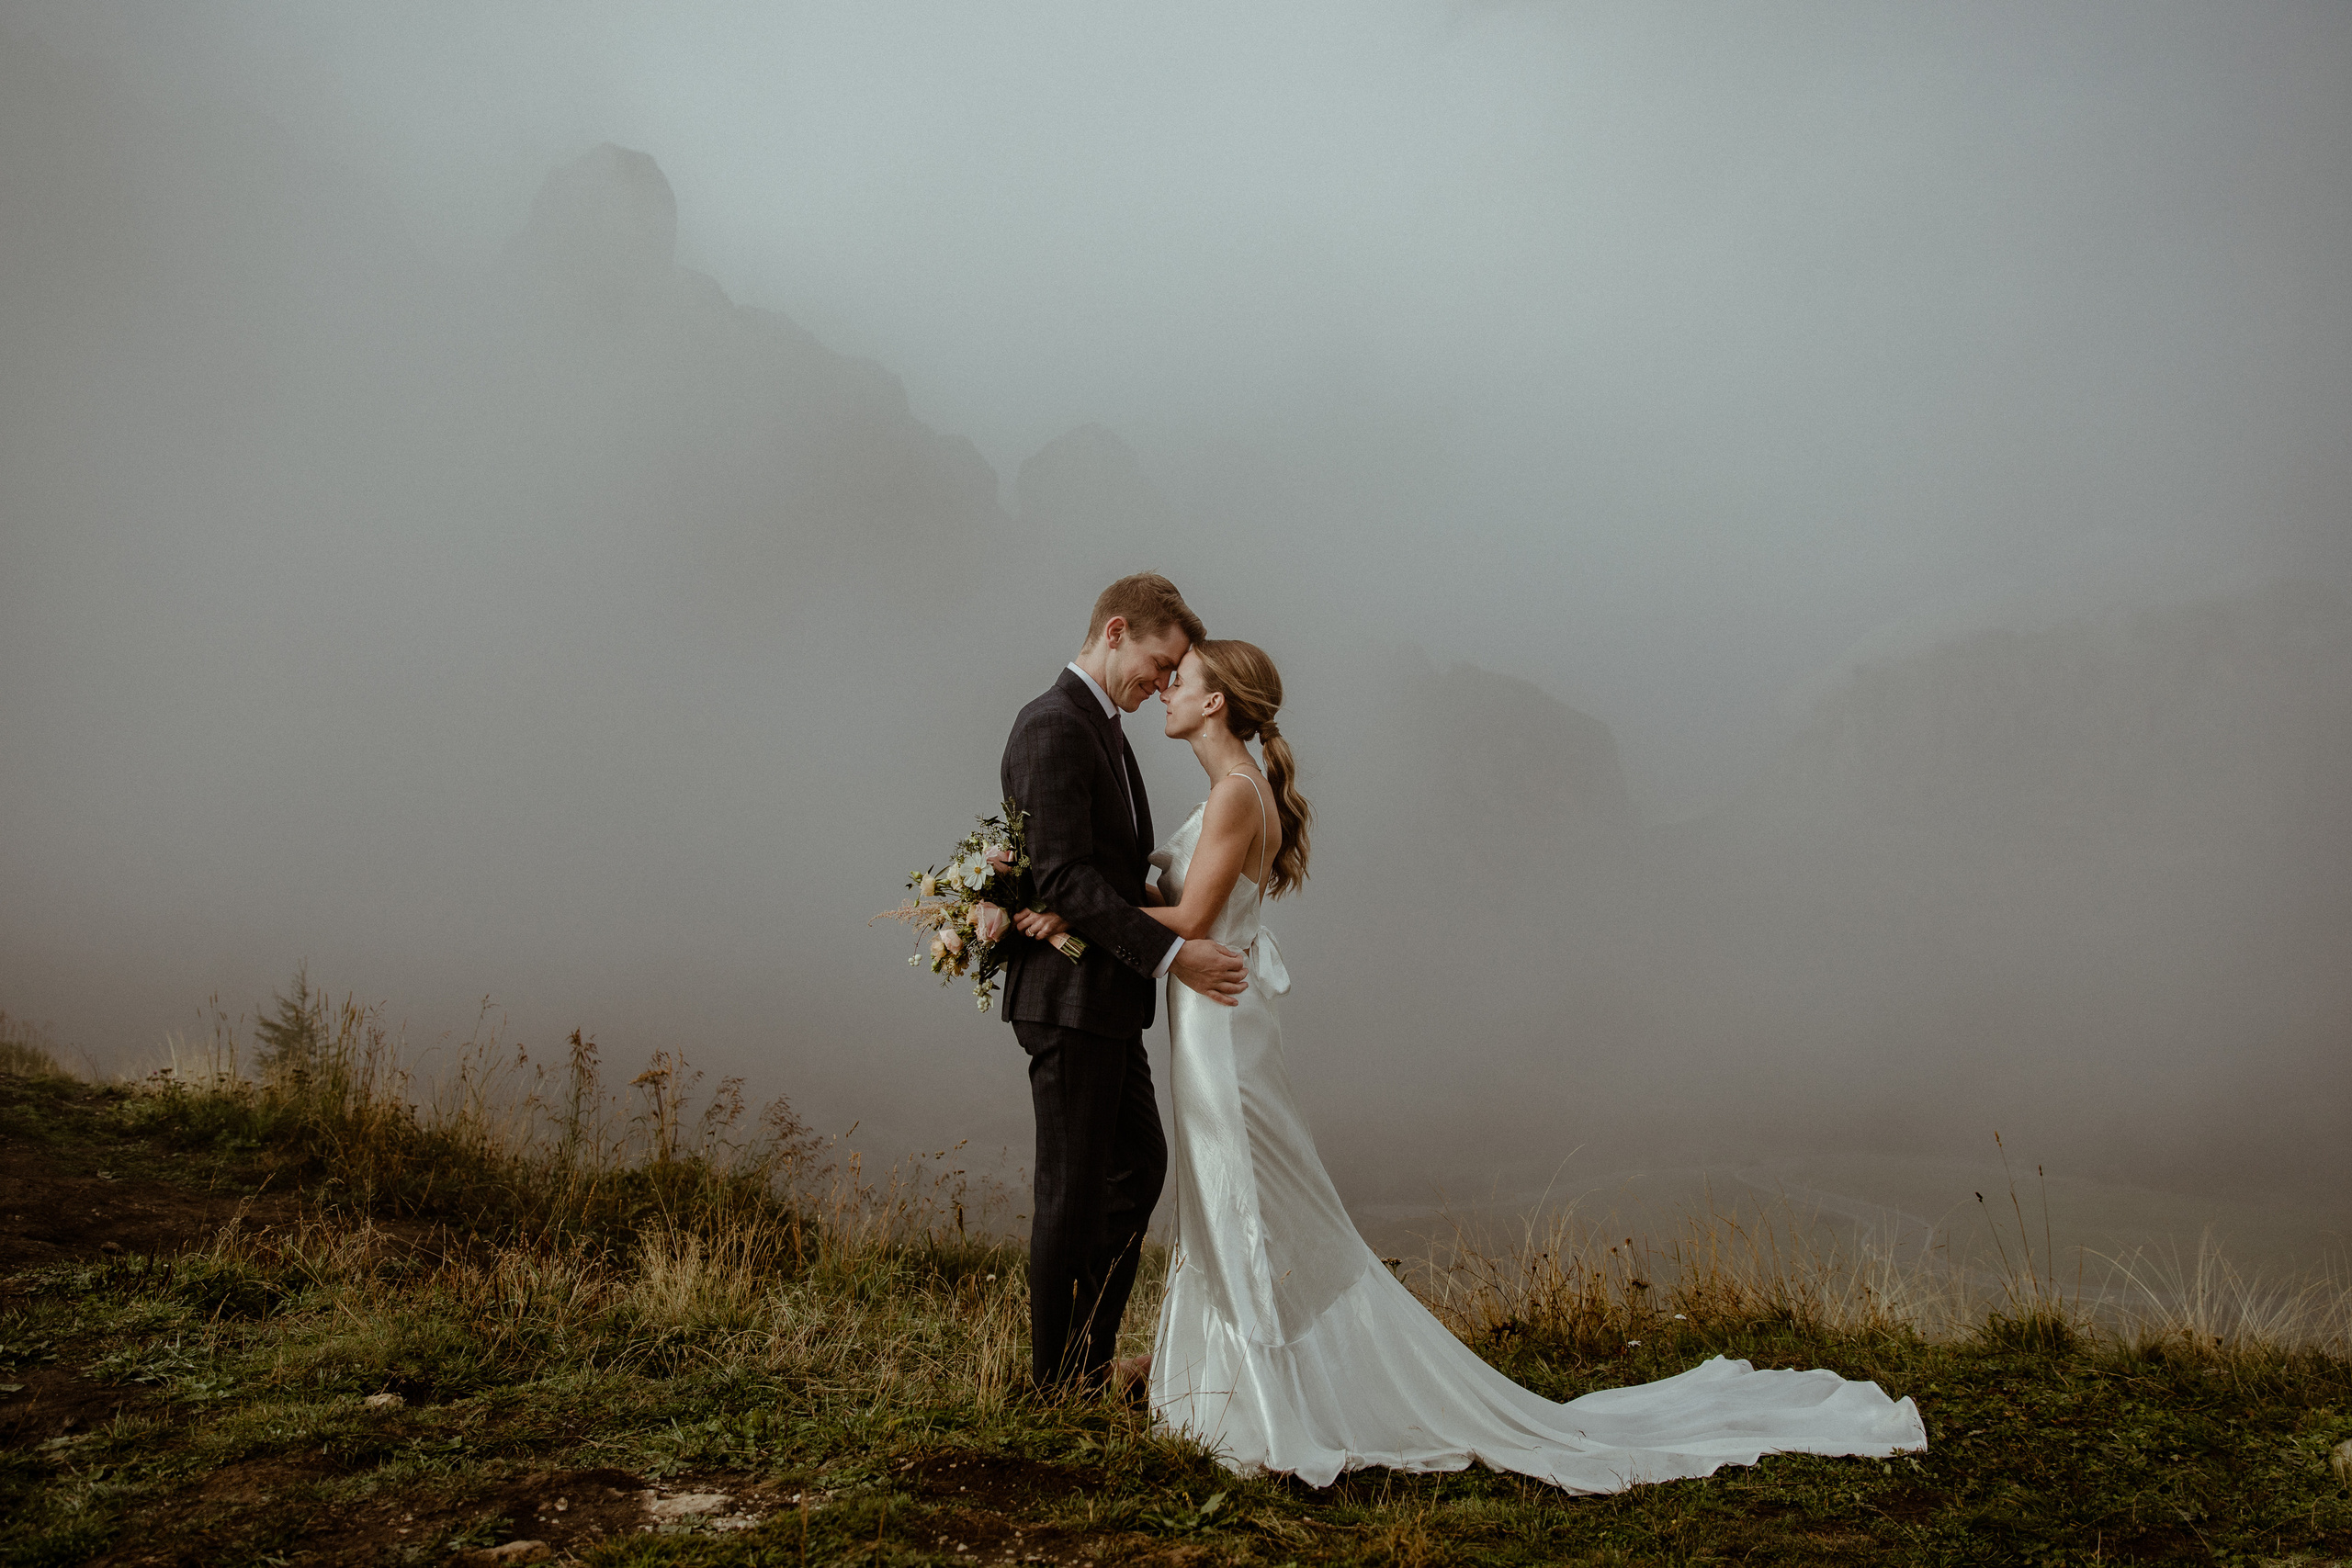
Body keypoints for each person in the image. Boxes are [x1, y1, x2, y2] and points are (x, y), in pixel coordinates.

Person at [1023, 637, 1928, 1490]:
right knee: (1230, 1203)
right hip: (1208, 1019)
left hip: (1220, 1032)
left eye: (1179, 679)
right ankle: (1229, 1382)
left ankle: (1265, 1400)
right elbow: (1163, 900)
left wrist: (1070, 913)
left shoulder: (1233, 794)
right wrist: (1055, 892)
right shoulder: (1228, 787)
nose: (1166, 689)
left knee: (1242, 1199)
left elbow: (1185, 926)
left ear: (1214, 698)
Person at [996, 573, 1250, 1396]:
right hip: (1068, 1000)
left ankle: (1089, 1361)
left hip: (1105, 999)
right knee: (1069, 1192)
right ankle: (1053, 1384)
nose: (1163, 680)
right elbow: (1065, 874)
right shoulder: (1053, 725)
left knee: (1136, 1165)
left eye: (1176, 669)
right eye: (1157, 660)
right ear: (1114, 631)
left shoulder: (1104, 728)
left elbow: (1098, 869)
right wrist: (1176, 955)